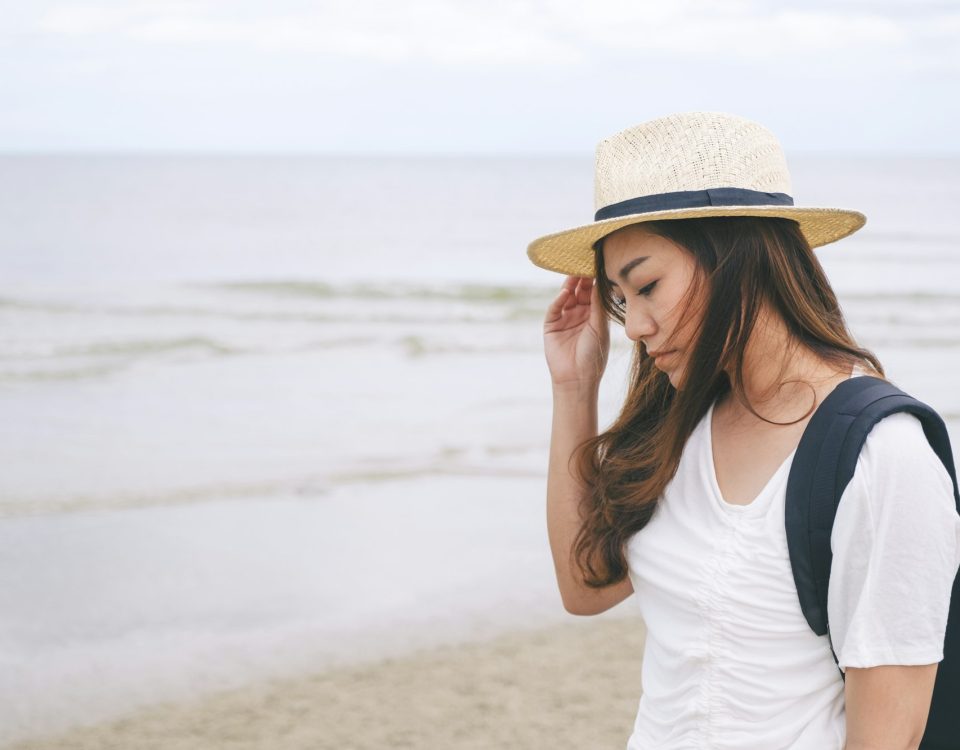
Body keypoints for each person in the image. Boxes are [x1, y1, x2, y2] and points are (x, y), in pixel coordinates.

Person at [527, 112, 960, 749]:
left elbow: (886, 735)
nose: (635, 328)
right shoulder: (679, 423)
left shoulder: (881, 453)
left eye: (647, 286)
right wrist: (574, 386)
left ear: (739, 256)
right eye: (619, 299)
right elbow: (584, 586)